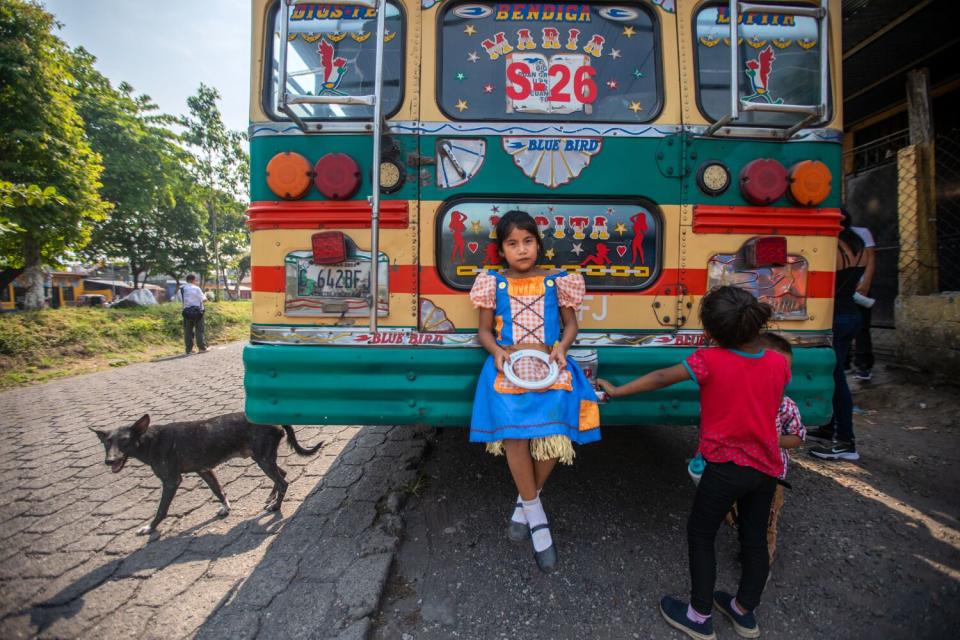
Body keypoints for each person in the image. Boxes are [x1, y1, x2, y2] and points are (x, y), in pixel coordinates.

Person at [598, 286, 789, 640]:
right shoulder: (778, 363)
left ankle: (699, 616)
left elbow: (659, 378)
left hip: (724, 468)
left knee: (701, 535)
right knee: (754, 539)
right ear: (755, 325)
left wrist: (617, 390)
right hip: (766, 468)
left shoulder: (708, 360)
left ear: (710, 332)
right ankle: (744, 612)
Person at [469, 210, 600, 573]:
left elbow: (571, 325)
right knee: (514, 438)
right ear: (502, 251)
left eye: (528, 241)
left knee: (556, 434)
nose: (522, 250)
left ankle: (525, 502)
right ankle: (537, 518)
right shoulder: (491, 284)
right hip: (508, 367)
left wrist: (561, 349)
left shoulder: (558, 282)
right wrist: (496, 352)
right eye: (512, 243)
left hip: (549, 364)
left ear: (538, 245)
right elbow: (484, 332)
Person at [808, 209, 866, 461]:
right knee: (835, 372)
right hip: (853, 314)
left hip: (836, 318)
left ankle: (846, 442)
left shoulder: (833, 247)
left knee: (836, 378)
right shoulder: (860, 245)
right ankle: (829, 428)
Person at [850, 220, 876, 382]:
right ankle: (845, 363)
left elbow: (871, 258)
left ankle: (863, 365)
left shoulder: (861, 232)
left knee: (861, 327)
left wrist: (865, 283)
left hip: (858, 288)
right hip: (841, 288)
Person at [177, 274, 207, 355]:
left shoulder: (182, 289)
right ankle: (201, 348)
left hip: (187, 312)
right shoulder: (196, 288)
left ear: (187, 280)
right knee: (199, 330)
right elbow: (204, 299)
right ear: (194, 280)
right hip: (198, 312)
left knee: (188, 331)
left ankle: (189, 350)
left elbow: (181, 300)